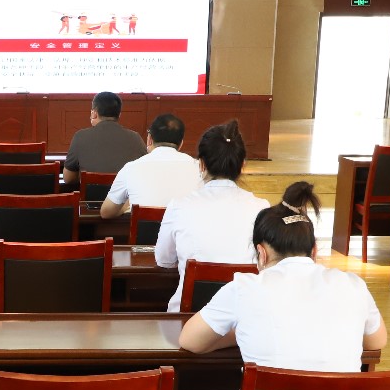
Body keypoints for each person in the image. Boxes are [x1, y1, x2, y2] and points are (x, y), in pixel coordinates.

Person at [179, 185, 387, 390]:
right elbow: (377, 341)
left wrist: (241, 334)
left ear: (261, 253)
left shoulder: (245, 286)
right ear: (314, 251)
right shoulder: (352, 284)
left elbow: (190, 341)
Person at [152, 120, 271, 310]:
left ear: (201, 164)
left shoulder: (179, 206)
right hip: (243, 315)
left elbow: (164, 260)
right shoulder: (262, 208)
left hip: (189, 316)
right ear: (243, 165)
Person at [100, 113, 201, 220]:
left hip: (144, 231)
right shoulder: (200, 168)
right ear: (181, 144)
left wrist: (126, 207)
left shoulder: (131, 168)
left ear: (149, 139)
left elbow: (106, 212)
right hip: (185, 231)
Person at [62, 91, 146, 186]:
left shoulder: (80, 136)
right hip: (125, 195)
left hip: (92, 195)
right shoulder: (136, 138)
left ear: (94, 113)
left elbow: (68, 178)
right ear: (119, 114)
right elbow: (146, 172)